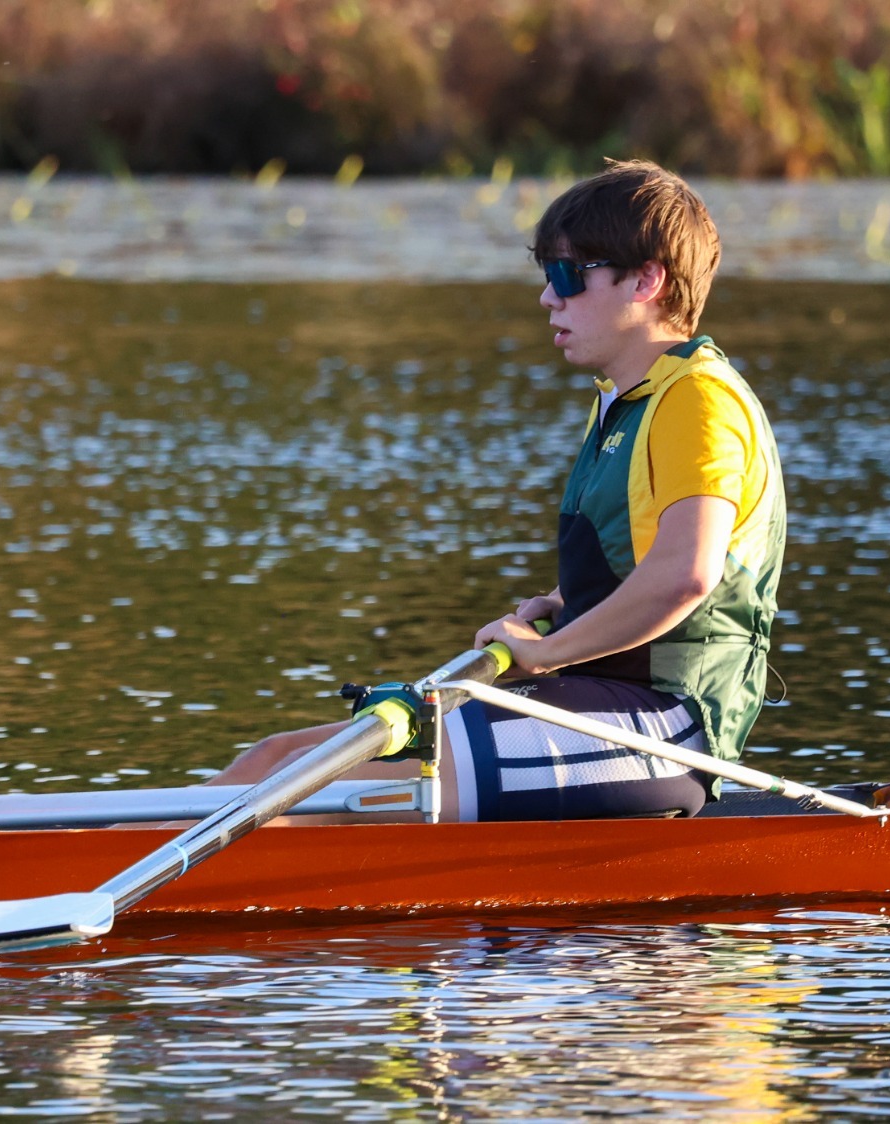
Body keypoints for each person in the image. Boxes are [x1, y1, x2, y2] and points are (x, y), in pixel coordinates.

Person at [211, 159, 785, 821]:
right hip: (597, 704)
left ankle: (122, 879)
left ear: (648, 280)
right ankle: (89, 853)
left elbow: (687, 575)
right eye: (548, 276)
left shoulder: (697, 399)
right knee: (272, 761)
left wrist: (546, 650)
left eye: (569, 275)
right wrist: (564, 603)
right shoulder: (628, 405)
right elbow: (642, 561)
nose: (549, 297)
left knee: (314, 794)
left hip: (667, 730)